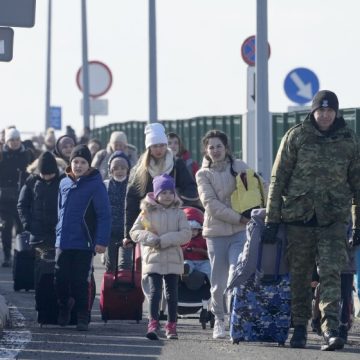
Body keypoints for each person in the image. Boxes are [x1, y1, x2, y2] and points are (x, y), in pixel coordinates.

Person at [262, 90, 360, 351]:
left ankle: (331, 330)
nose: (325, 115)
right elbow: (278, 178)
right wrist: (272, 219)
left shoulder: (348, 139)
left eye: (330, 111)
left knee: (331, 275)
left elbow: (358, 184)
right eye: (321, 110)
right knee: (300, 276)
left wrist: (358, 223)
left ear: (336, 113)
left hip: (333, 220)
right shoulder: (297, 136)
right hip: (299, 218)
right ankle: (300, 328)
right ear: (313, 111)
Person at [195, 129, 254, 339]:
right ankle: (218, 319)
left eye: (219, 146)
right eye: (211, 147)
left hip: (240, 232)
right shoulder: (203, 174)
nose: (216, 150)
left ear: (226, 147)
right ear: (206, 150)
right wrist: (239, 218)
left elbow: (258, 187)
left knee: (235, 275)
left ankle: (234, 320)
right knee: (218, 281)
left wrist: (263, 209)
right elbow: (211, 205)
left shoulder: (240, 166)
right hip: (216, 233)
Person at [55, 144, 111, 331]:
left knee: (80, 281)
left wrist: (101, 241)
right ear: (70, 163)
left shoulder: (96, 185)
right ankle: (64, 306)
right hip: (63, 241)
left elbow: (104, 215)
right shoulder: (63, 182)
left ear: (89, 164)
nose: (78, 166)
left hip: (84, 242)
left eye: (83, 162)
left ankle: (82, 315)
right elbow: (60, 210)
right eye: (75, 161)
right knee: (60, 278)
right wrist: (57, 232)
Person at [130, 174, 191, 340]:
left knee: (172, 293)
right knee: (155, 292)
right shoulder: (146, 212)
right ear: (156, 194)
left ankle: (171, 325)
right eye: (163, 192)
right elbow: (134, 232)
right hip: (153, 258)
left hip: (172, 257)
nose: (167, 196)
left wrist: (164, 240)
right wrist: (149, 238)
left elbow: (186, 234)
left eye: (170, 192)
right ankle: (153, 323)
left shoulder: (179, 213)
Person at [17, 151, 61, 260]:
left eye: (50, 174)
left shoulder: (62, 182)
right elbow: (22, 205)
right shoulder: (31, 182)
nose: (47, 177)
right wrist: (27, 224)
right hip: (37, 234)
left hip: (57, 233)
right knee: (37, 267)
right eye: (44, 174)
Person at [0, 128, 32, 267]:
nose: (15, 142)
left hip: (22, 197)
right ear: (7, 141)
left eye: (17, 139)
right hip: (4, 199)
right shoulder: (1, 155)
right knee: (6, 228)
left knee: (22, 229)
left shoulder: (27, 154)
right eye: (11, 140)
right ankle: (7, 256)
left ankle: (20, 256)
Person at [103, 151, 132, 272]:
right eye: (115, 168)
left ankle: (125, 290)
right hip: (110, 231)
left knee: (125, 265)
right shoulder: (105, 185)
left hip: (127, 232)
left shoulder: (132, 186)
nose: (119, 171)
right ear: (110, 170)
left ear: (128, 169)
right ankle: (110, 288)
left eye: (123, 168)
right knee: (110, 264)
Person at [181, 206, 211, 281]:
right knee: (186, 264)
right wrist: (183, 250)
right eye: (189, 230)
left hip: (202, 261)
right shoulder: (182, 239)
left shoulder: (203, 239)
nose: (192, 233)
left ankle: (212, 283)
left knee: (209, 268)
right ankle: (184, 273)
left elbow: (209, 253)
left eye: (194, 230)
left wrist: (198, 250)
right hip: (189, 260)